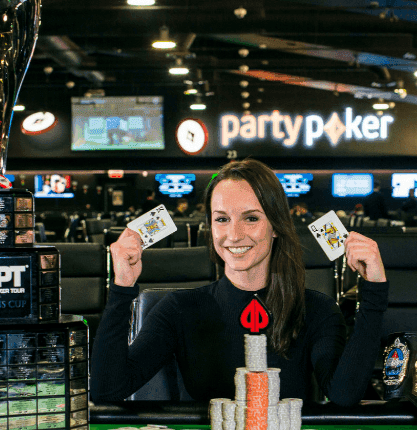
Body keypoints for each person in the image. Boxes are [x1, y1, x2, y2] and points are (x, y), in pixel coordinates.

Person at [92, 158, 389, 406]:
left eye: (250, 218)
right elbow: (107, 392)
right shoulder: (178, 309)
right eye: (222, 219)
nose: (233, 235)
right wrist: (121, 289)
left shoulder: (317, 309)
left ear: (275, 226)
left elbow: (343, 397)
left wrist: (373, 293)